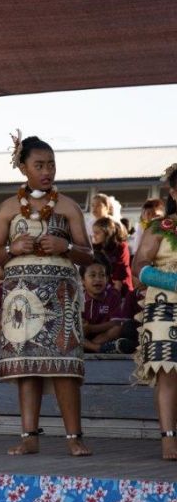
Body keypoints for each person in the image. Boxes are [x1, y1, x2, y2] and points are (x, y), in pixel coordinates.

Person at [0, 133, 93, 457]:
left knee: (63, 365)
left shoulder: (68, 206)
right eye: (39, 165)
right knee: (27, 366)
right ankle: (29, 435)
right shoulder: (7, 208)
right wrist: (10, 248)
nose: (47, 171)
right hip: (21, 298)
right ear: (23, 167)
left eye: (51, 165)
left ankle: (74, 436)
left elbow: (88, 254)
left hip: (60, 297)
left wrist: (67, 247)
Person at [132, 162, 177, 460]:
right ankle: (168, 439)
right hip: (164, 306)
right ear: (173, 192)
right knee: (167, 373)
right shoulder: (161, 227)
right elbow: (138, 268)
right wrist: (171, 280)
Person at [79, 253, 128, 353]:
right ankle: (97, 348)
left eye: (102, 275)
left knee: (118, 329)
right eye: (92, 275)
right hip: (83, 335)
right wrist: (82, 325)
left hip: (102, 336)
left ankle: (89, 347)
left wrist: (91, 329)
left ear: (107, 279)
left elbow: (116, 322)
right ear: (83, 280)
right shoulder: (77, 297)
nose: (98, 279)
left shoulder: (113, 295)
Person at [91, 216, 134, 296]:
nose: (94, 236)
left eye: (97, 233)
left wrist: (113, 297)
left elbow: (120, 272)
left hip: (122, 291)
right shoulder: (96, 248)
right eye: (93, 233)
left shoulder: (121, 247)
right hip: (103, 289)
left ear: (107, 233)